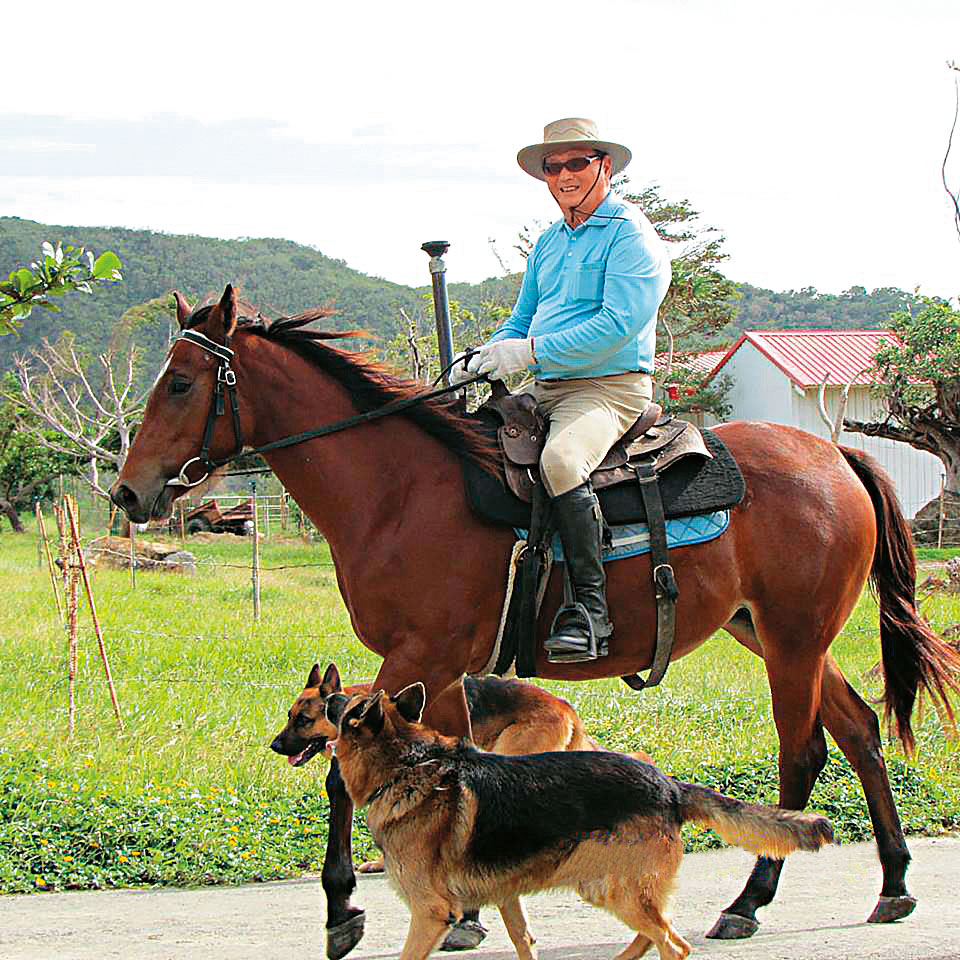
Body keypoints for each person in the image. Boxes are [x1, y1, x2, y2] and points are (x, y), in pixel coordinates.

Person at [454, 117, 672, 663]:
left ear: (604, 165)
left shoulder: (630, 235)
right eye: (553, 166)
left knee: (561, 461)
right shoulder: (549, 243)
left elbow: (618, 324)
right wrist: (483, 355)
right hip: (547, 386)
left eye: (577, 162)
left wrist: (526, 353)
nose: (564, 175)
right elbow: (522, 318)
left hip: (609, 386)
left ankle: (591, 613)